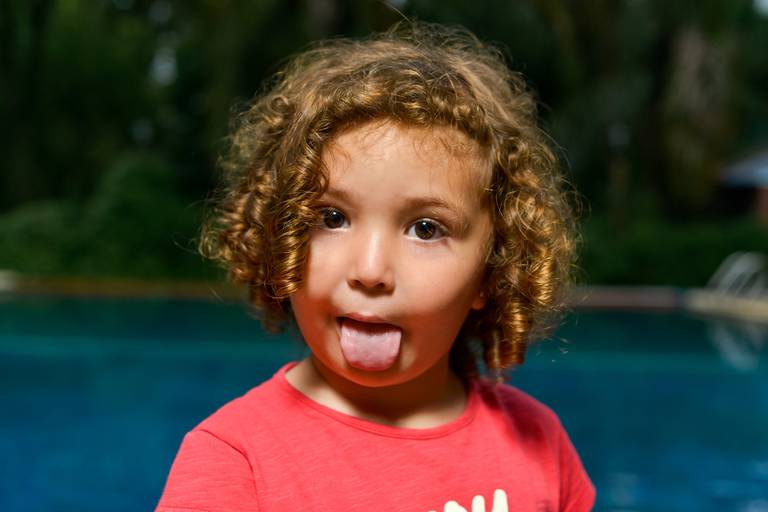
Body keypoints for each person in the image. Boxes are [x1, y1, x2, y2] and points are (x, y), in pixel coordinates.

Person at [156, 21, 595, 512]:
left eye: (426, 229)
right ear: (279, 239)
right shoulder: (233, 461)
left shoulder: (540, 445)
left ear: (493, 270)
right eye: (332, 218)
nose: (369, 270)